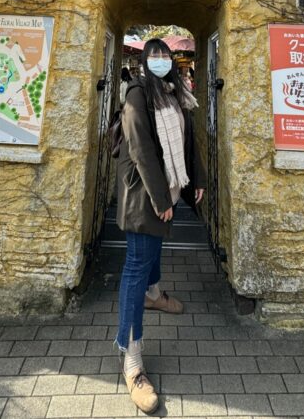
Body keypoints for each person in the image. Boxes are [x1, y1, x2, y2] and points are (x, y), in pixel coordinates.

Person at [115, 38, 206, 414]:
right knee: (137, 263)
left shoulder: (174, 93)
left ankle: (153, 295)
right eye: (153, 55)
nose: (160, 60)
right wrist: (159, 198)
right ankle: (132, 360)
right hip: (144, 191)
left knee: (153, 248)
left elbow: (187, 139)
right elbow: (140, 147)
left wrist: (197, 178)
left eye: (164, 55)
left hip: (167, 187)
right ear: (144, 61)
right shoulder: (137, 93)